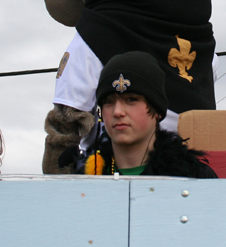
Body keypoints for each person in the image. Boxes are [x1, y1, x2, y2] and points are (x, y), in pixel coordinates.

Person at [75, 51, 217, 178]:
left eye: (131, 100)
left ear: (157, 110)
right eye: (108, 102)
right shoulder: (84, 181)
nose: (117, 112)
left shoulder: (194, 177)